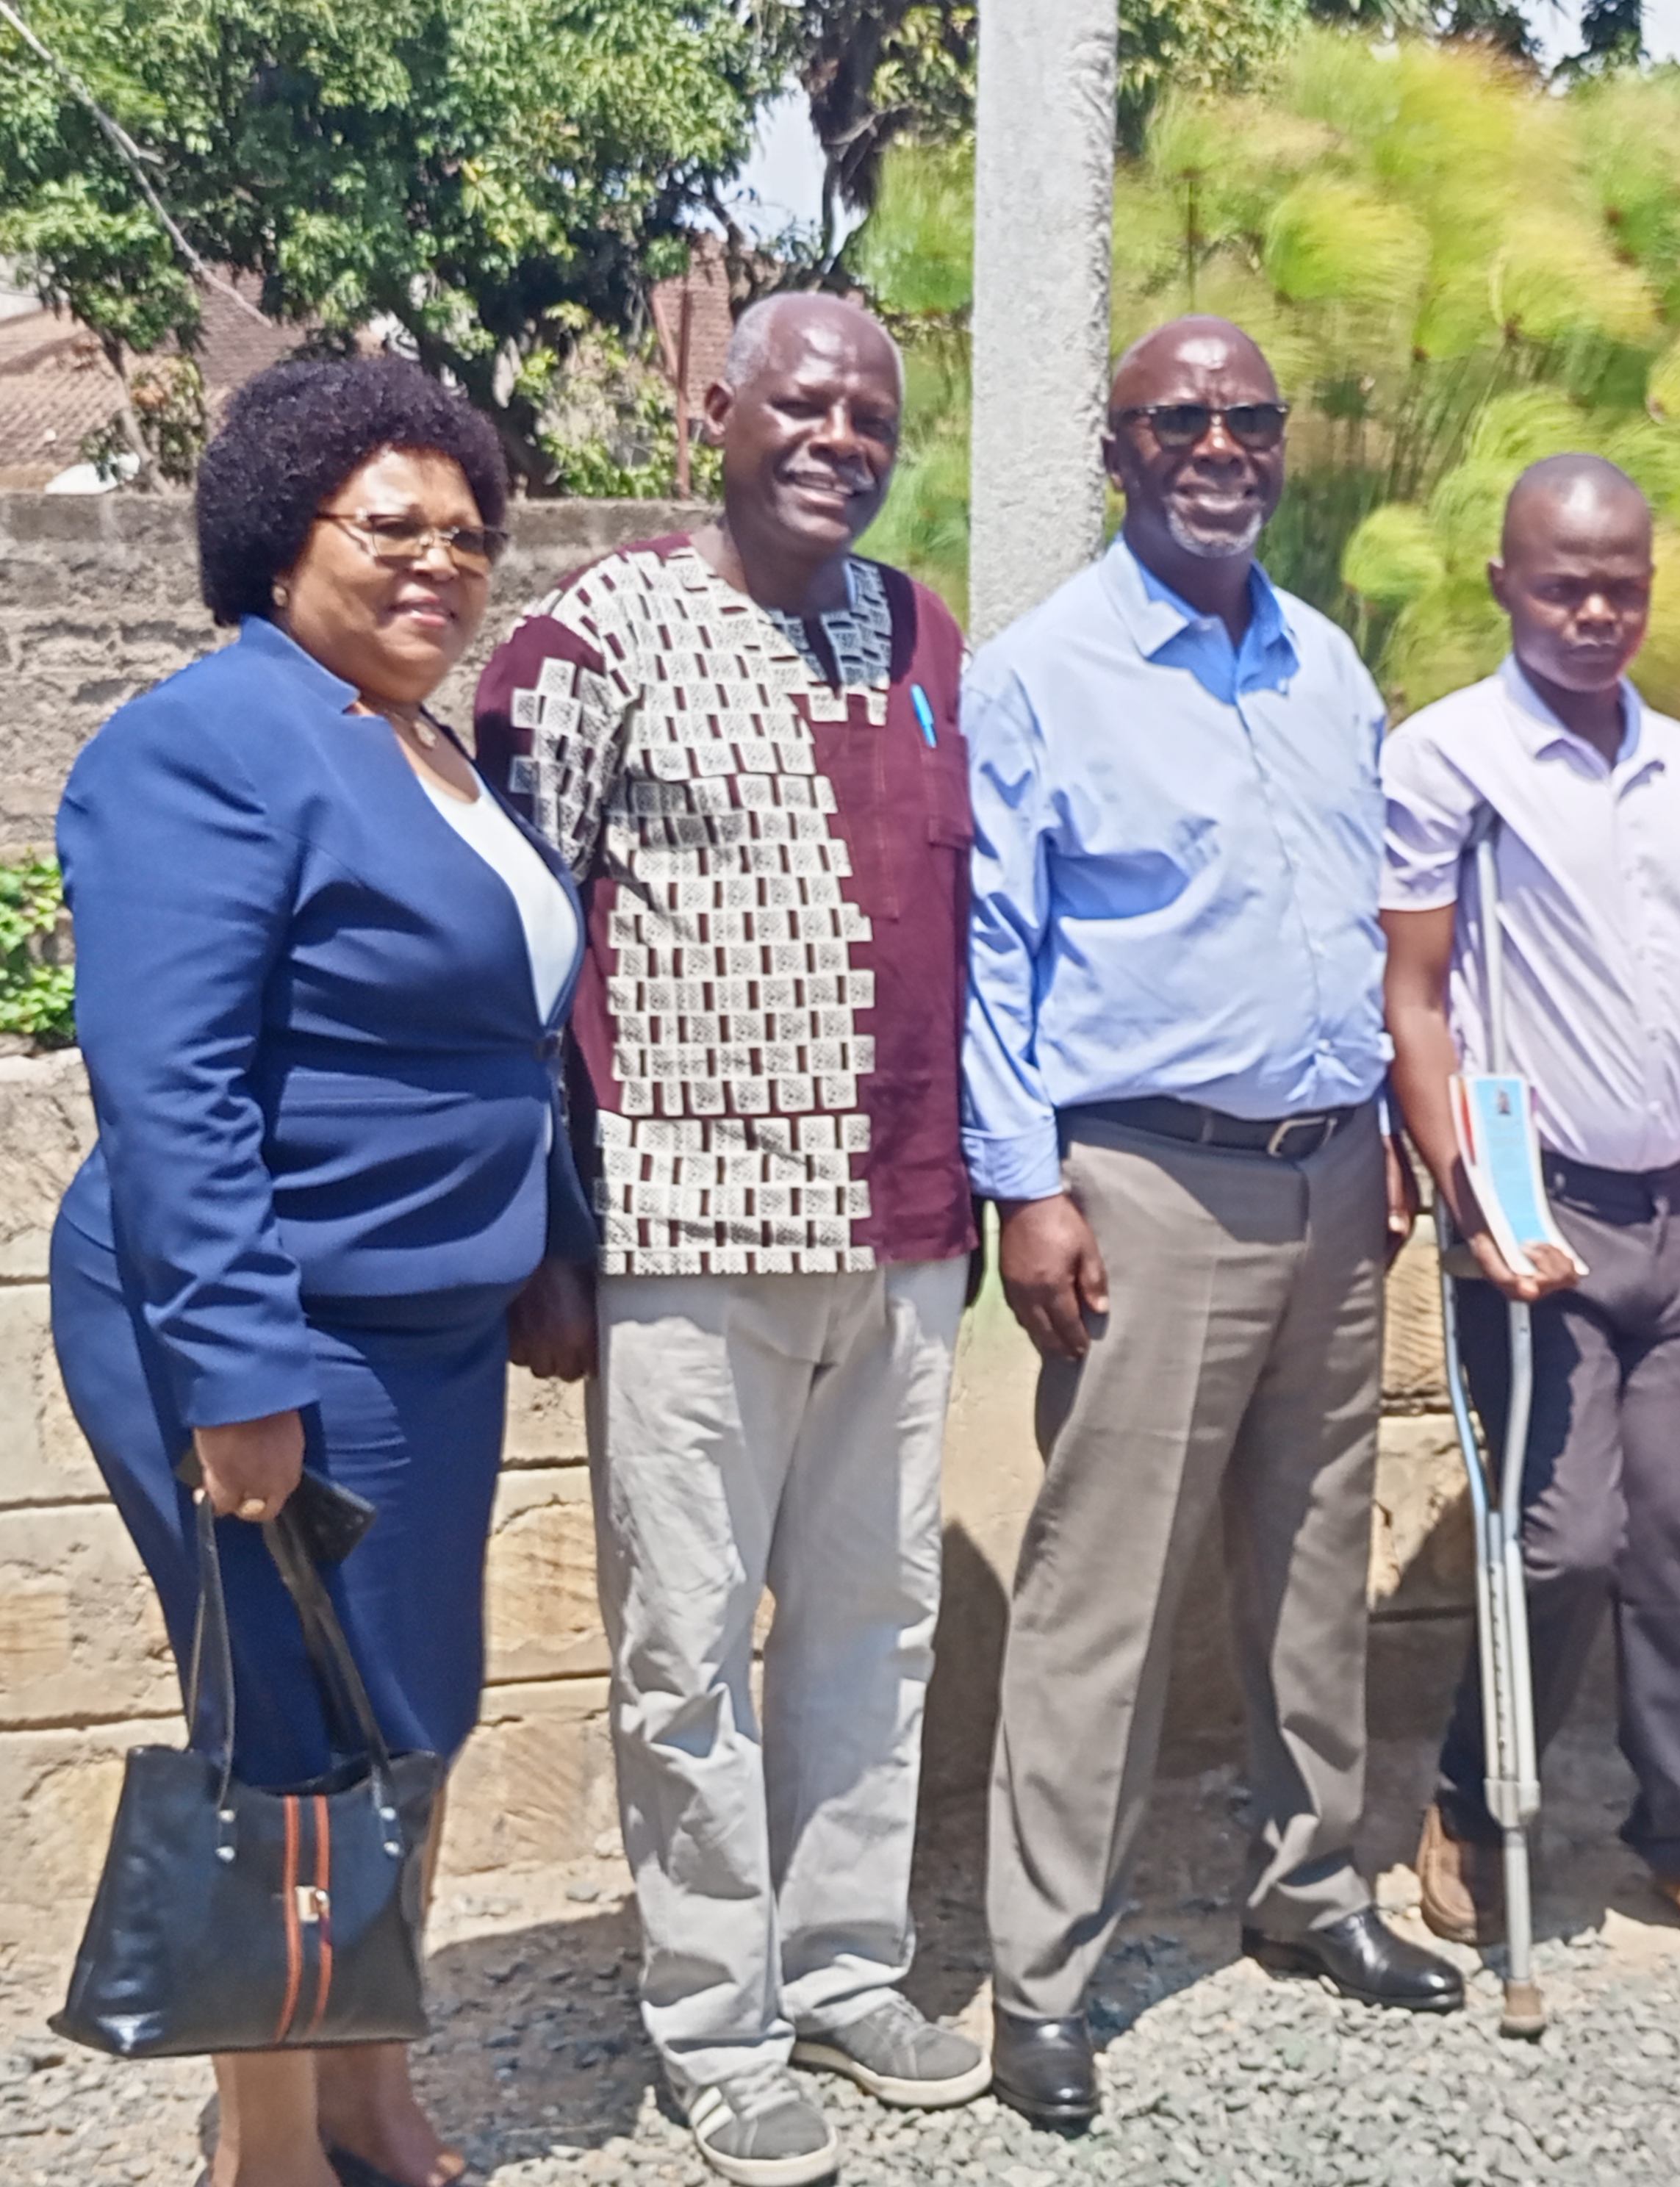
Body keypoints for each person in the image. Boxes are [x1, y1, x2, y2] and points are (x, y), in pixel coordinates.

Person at [49, 356, 591, 2187]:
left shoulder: (434, 746)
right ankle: (258, 2148)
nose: (440, 562)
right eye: (393, 528)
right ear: (284, 536)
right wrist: (243, 1377)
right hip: (259, 1321)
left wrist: (540, 1248)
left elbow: (495, 1040)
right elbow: (172, 1083)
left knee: (407, 1720)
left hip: (423, 1329)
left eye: (469, 533)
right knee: (284, 1746)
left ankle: (366, 2090)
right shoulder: (206, 741)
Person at [473, 292, 986, 2187]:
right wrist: (549, 1229)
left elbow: (964, 915)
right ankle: (713, 2019)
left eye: (869, 410)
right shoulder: (590, 637)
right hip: (689, 1231)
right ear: (718, 412)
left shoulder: (922, 628)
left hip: (903, 1228)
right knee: (684, 1650)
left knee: (876, 1625)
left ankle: (848, 1968)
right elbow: (517, 951)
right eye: (803, 400)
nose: (839, 435)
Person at [962, 315, 1460, 2133]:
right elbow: (993, 956)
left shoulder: (1324, 666)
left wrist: (1393, 1139)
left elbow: (1369, 935)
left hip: (1336, 1176)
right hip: (1145, 1183)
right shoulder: (1042, 674)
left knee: (1315, 1556)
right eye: (1179, 418)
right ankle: (1044, 1977)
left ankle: (1308, 1886)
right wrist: (1026, 1185)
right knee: (1105, 1589)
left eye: (1249, 414)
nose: (1219, 443)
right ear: (1120, 449)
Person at [1385, 455, 1680, 1972]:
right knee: (1560, 1543)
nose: (1592, 608)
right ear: (1503, 581)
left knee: (1678, 1537)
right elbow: (1415, 1000)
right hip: (1532, 1214)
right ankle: (1472, 1798)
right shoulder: (1445, 759)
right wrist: (1469, 1198)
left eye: (1620, 580)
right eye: (1561, 580)